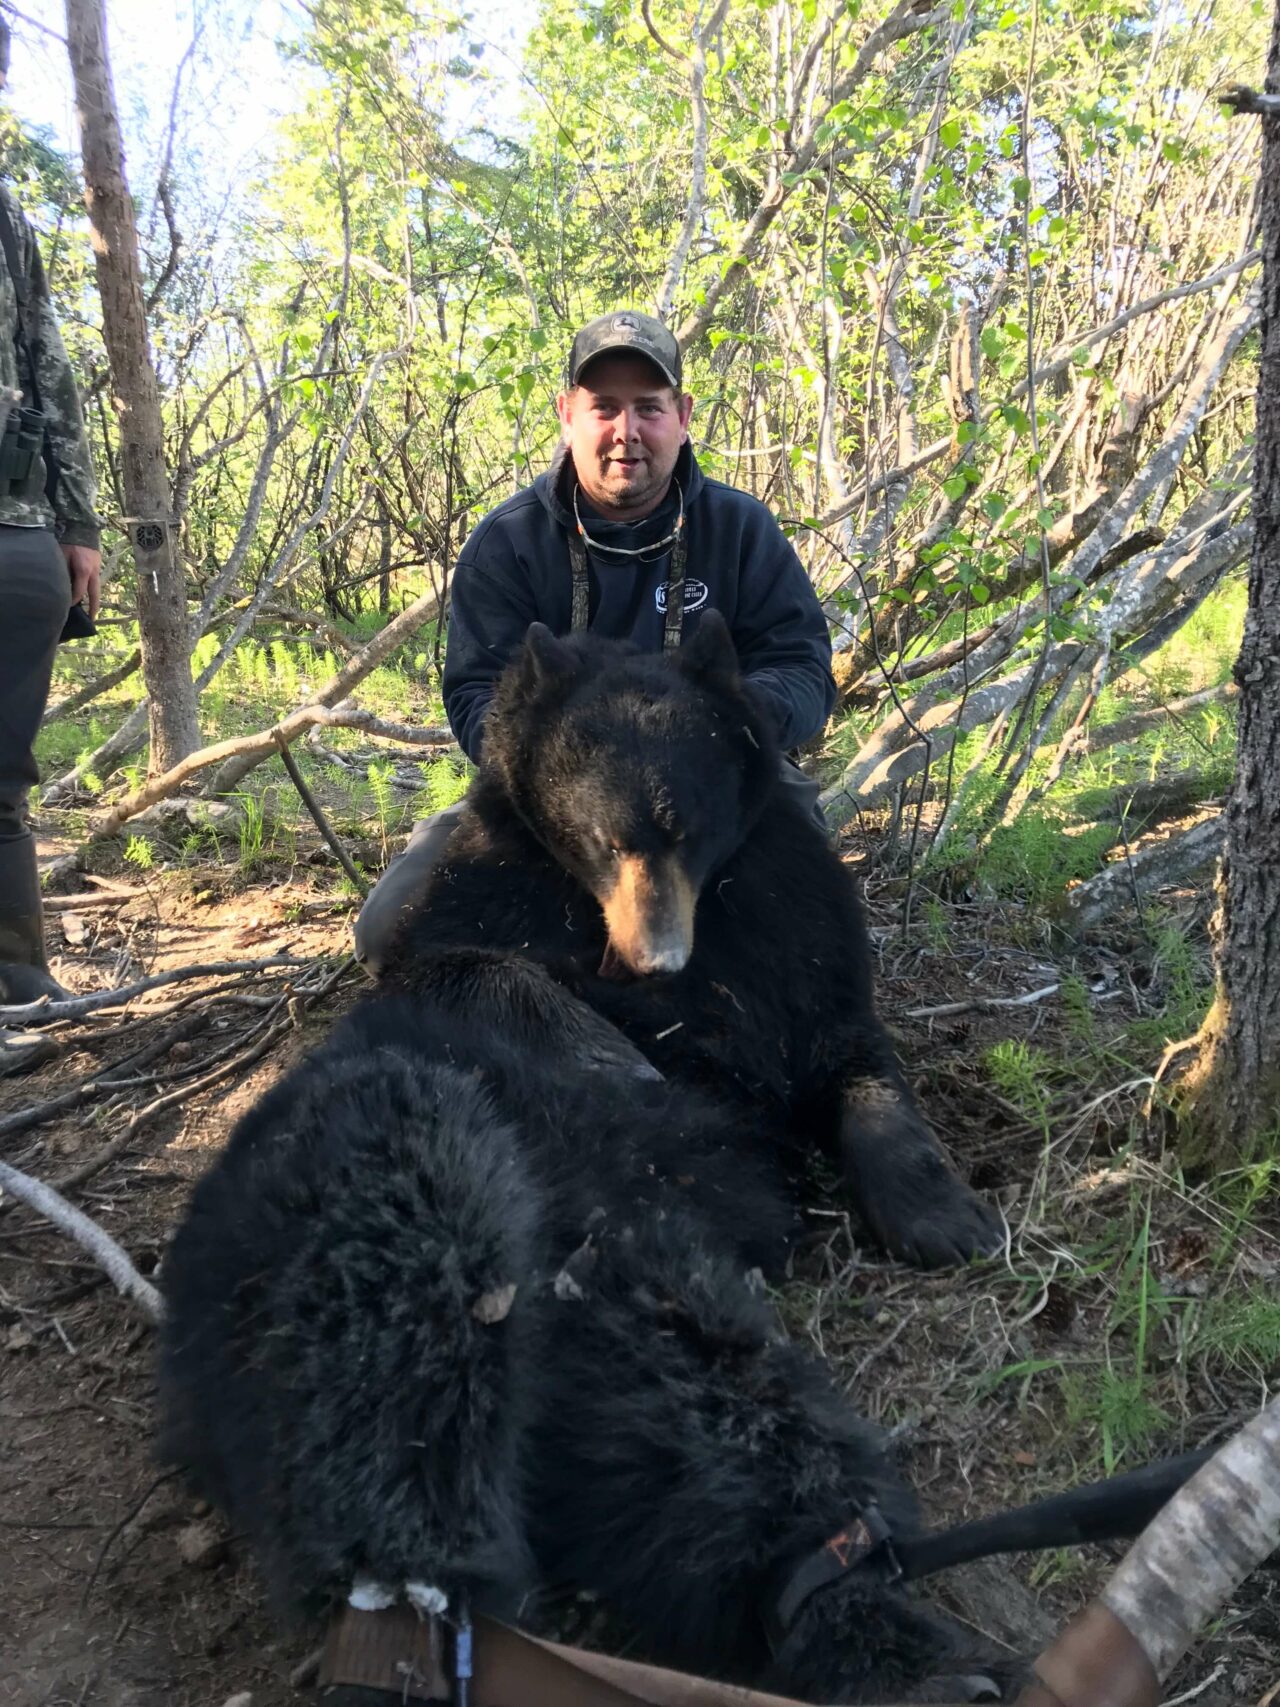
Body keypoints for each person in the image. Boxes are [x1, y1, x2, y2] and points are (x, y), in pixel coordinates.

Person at [355, 308, 836, 974]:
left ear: (684, 413)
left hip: (709, 798)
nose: (625, 432)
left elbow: (803, 667)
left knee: (806, 937)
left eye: (649, 407)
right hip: (559, 804)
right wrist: (562, 772)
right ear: (567, 413)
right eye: (604, 407)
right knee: (393, 935)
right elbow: (475, 696)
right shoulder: (509, 544)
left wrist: (723, 727)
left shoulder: (741, 530)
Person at [0, 17, 104, 1076]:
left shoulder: (8, 222)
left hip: (14, 534)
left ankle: (22, 989)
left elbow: (50, 370)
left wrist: (75, 528)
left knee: (1, 779)